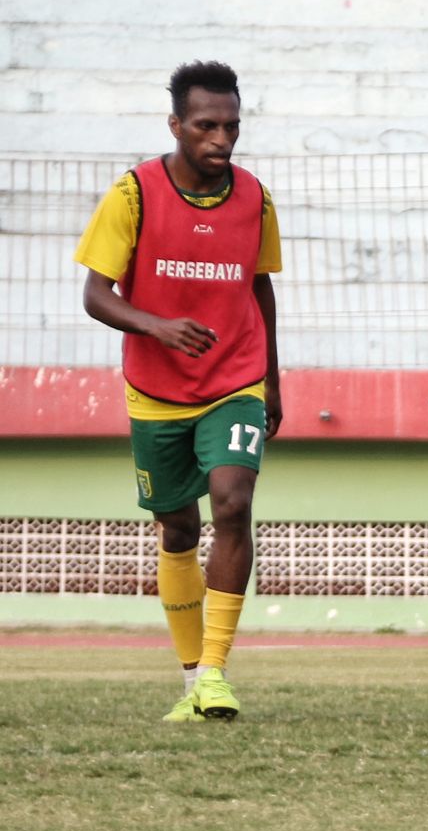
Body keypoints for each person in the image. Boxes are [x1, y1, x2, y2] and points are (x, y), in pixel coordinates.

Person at [74, 60, 282, 723]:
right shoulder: (134, 193)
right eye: (206, 126)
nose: (221, 139)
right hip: (156, 392)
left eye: (231, 125)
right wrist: (157, 326)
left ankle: (216, 673)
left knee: (232, 501)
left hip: (235, 381)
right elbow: (95, 295)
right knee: (178, 527)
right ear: (176, 126)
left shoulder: (255, 197)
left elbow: (260, 286)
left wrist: (273, 378)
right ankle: (192, 679)